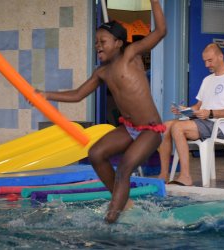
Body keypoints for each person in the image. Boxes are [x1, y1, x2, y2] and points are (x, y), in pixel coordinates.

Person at [36, 0, 166, 223]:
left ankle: (110, 220)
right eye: (96, 42)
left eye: (103, 41)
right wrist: (46, 95)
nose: (98, 46)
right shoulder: (102, 72)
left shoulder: (131, 55)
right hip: (129, 127)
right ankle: (122, 201)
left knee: (125, 166)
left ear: (117, 42)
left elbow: (161, 30)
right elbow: (78, 94)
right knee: (96, 153)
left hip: (151, 130)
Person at [157, 43, 224, 186]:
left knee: (178, 128)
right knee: (165, 126)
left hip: (221, 126)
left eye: (210, 60)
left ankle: (186, 176)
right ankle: (163, 175)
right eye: (204, 61)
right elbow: (198, 107)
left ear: (221, 57)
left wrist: (211, 113)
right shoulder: (207, 80)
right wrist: (184, 110)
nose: (206, 64)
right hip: (203, 121)